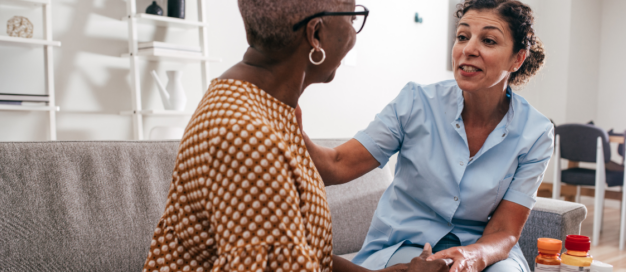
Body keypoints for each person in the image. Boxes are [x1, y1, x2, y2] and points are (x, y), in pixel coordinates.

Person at [141, 0, 450, 271]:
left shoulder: (264, 106)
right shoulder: (248, 140)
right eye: (352, 19)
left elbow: (293, 250)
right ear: (315, 34)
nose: (354, 36)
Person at [299, 0, 551, 271]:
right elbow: (338, 164)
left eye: (488, 41)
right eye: (462, 37)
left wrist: (471, 257)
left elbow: (505, 230)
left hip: (480, 248)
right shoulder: (416, 102)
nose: (468, 49)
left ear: (518, 58)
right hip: (403, 245)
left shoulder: (536, 133)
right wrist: (287, 116)